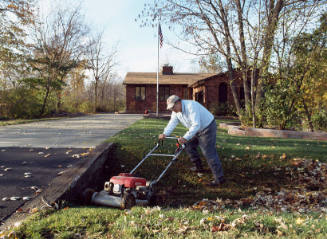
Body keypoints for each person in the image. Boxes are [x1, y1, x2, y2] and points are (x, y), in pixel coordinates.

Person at [158, 95, 225, 186]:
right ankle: (199, 167)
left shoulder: (191, 106)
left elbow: (196, 125)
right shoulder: (176, 111)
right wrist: (165, 133)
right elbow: (172, 122)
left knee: (208, 152)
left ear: (179, 103)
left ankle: (219, 179)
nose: (172, 110)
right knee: (188, 146)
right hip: (195, 129)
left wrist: (185, 137)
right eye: (170, 108)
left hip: (207, 127)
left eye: (173, 107)